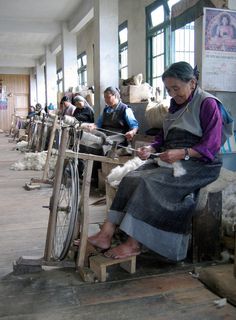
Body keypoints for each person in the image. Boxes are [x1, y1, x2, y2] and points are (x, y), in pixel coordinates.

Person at [87, 61, 223, 261]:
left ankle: (134, 243)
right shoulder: (176, 105)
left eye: (176, 88)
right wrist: (152, 147)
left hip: (200, 163)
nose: (173, 94)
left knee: (149, 183)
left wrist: (182, 153)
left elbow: (211, 145)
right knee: (131, 177)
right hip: (175, 158)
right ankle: (106, 233)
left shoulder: (207, 103)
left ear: (192, 83)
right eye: (169, 89)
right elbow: (164, 135)